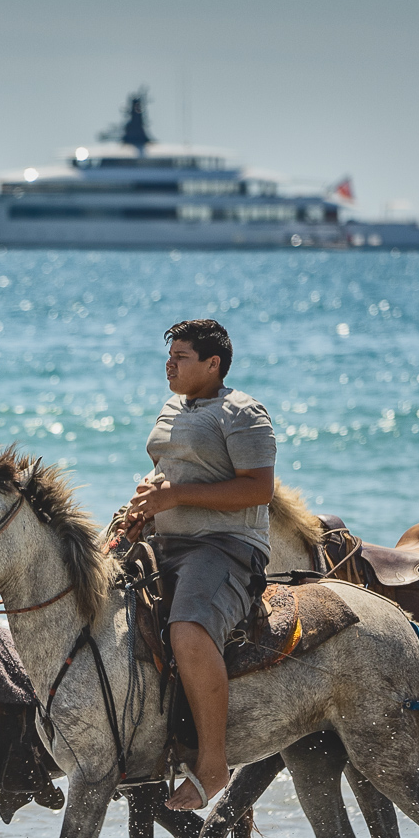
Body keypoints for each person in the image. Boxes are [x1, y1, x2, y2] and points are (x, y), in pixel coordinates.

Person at [125, 319, 274, 812]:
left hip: (226, 546)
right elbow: (167, 474)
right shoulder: (172, 407)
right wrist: (141, 507)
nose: (170, 364)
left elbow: (258, 489)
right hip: (163, 540)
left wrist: (176, 495)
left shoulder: (243, 412)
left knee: (187, 629)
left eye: (182, 356)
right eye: (170, 355)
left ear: (213, 364)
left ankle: (212, 766)